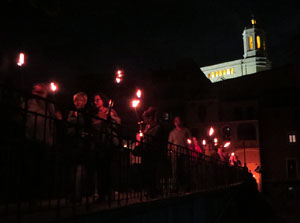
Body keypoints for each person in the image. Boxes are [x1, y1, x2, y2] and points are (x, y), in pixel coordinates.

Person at [135, 107, 167, 198]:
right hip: (147, 153)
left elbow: (152, 139)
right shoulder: (148, 127)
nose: (144, 121)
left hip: (153, 154)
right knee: (147, 173)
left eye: (146, 118)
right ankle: (150, 190)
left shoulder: (158, 127)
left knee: (152, 173)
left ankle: (153, 191)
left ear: (151, 118)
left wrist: (143, 136)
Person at [168, 116, 192, 191]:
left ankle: (185, 186)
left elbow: (190, 140)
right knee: (175, 170)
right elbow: (169, 143)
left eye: (179, 120)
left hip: (184, 153)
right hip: (175, 154)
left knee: (185, 169)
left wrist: (190, 146)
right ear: (174, 123)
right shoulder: (172, 132)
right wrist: (169, 151)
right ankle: (176, 186)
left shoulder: (186, 130)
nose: (177, 122)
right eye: (176, 121)